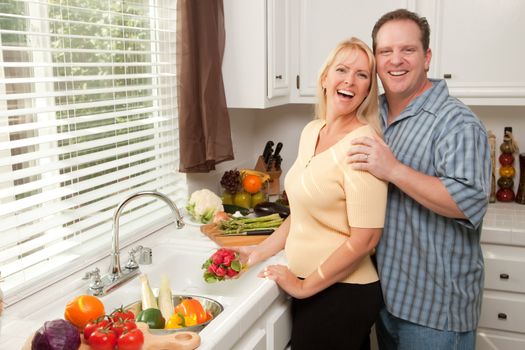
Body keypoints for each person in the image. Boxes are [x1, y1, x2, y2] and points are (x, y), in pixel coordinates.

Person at [347, 9, 491, 350]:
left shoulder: (456, 123)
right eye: (385, 52)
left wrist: (393, 169)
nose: (396, 60)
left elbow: (466, 201)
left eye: (407, 50)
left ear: (426, 58)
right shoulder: (372, 115)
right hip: (387, 299)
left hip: (437, 312)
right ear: (376, 61)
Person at [238, 37, 388, 350]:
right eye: (342, 69)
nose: (349, 80)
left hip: (342, 293)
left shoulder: (363, 145)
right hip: (316, 286)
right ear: (324, 78)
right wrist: (256, 254)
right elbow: (302, 214)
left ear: (368, 89)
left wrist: (306, 287)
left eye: (362, 75)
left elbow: (366, 238)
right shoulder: (312, 131)